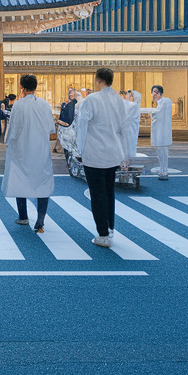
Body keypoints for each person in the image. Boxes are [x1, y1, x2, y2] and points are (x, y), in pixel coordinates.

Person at [74, 68, 128, 248]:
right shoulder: (119, 100)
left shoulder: (91, 100)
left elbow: (81, 127)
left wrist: (79, 150)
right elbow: (123, 127)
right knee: (109, 191)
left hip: (94, 153)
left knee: (97, 194)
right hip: (113, 153)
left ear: (97, 80)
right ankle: (110, 227)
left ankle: (102, 233)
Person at [3, 74, 55, 232]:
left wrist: (8, 141)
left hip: (23, 148)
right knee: (43, 181)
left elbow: (13, 129)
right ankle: (40, 221)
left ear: (21, 87)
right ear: (36, 87)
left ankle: (23, 216)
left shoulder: (18, 105)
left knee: (20, 179)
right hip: (41, 148)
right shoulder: (45, 104)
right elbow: (51, 128)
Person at [146, 85, 173, 180]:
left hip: (163, 132)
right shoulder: (160, 104)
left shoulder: (165, 101)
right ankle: (162, 169)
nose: (154, 94)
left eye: (156, 92)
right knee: (160, 151)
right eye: (153, 92)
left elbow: (158, 114)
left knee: (163, 151)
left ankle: (164, 170)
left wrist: (152, 115)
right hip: (160, 131)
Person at [54, 87, 78, 154]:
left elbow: (70, 116)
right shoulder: (68, 104)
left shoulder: (72, 104)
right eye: (70, 94)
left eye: (72, 94)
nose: (70, 95)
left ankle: (61, 148)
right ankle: (59, 148)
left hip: (67, 125)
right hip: (65, 124)